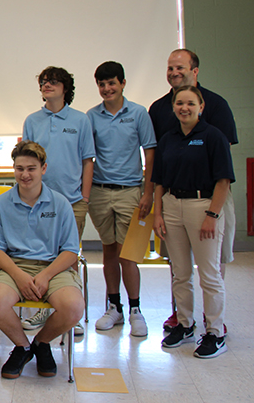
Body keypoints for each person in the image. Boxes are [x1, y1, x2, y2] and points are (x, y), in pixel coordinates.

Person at [148, 49, 238, 332]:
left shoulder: (216, 111)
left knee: (212, 267)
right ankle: (183, 320)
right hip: (173, 201)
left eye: (180, 67)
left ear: (195, 71)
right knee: (180, 270)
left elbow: (223, 170)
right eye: (170, 67)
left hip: (209, 199)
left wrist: (213, 211)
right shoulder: (160, 112)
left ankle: (215, 325)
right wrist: (157, 209)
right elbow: (158, 169)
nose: (174, 72)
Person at [0, 140, 83, 379]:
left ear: (44, 169)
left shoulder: (60, 204)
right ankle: (23, 347)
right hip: (13, 267)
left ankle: (41, 343)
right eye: (20, 168)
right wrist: (19, 276)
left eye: (31, 168)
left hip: (53, 268)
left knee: (73, 307)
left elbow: (70, 250)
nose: (25, 174)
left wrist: (45, 276)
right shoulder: (1, 204)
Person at [21, 67, 93, 335]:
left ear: (65, 87)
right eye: (43, 82)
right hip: (38, 202)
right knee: (40, 256)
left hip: (73, 201)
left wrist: (84, 198)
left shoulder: (80, 120)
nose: (46, 86)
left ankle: (69, 314)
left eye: (52, 82)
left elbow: (88, 160)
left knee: (68, 257)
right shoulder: (32, 120)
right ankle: (42, 308)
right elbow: (28, 161)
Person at [86, 61, 157, 337]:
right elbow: (88, 157)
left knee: (129, 255)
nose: (107, 89)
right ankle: (113, 307)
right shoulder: (92, 116)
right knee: (109, 252)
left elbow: (150, 155)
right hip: (101, 193)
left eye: (111, 83)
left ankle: (135, 310)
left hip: (130, 191)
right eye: (102, 85)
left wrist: (148, 192)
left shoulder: (138, 114)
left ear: (123, 83)